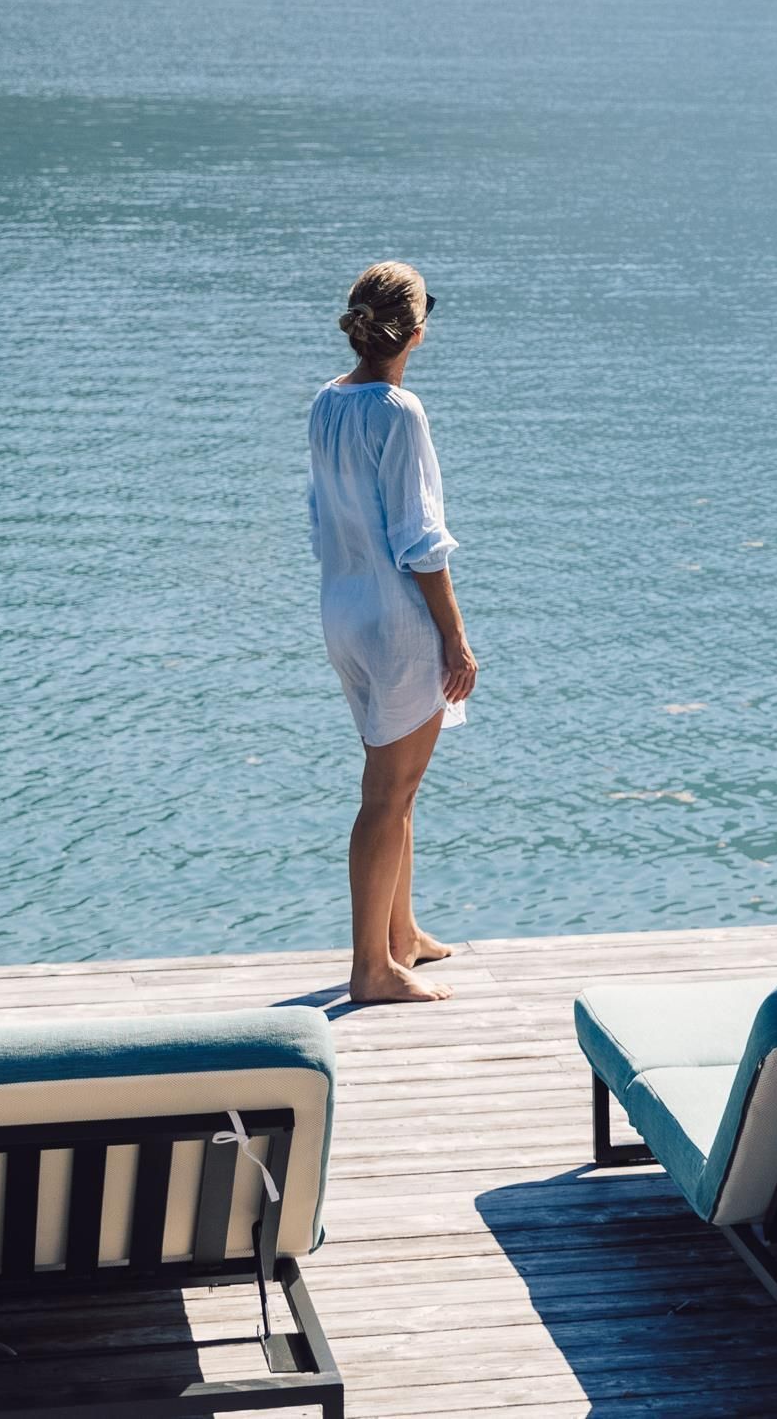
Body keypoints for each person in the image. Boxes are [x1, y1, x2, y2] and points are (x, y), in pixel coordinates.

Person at [307, 261, 478, 1004]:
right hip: (396, 621)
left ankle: (401, 936)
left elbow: (320, 519)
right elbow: (420, 540)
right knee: (387, 795)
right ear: (414, 330)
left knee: (396, 789)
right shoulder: (400, 411)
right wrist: (456, 637)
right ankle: (370, 970)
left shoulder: (326, 403)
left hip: (343, 612)